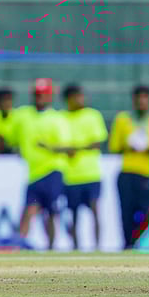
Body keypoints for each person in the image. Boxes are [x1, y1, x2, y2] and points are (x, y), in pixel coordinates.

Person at [17, 78, 72, 250]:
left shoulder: (57, 119)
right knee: (29, 210)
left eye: (43, 94)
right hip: (34, 173)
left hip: (52, 171)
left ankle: (50, 247)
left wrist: (47, 147)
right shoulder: (24, 115)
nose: (39, 97)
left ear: (50, 96)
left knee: (51, 213)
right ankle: (18, 246)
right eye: (37, 94)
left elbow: (67, 147)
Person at [109, 85, 149, 250]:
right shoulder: (123, 119)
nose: (142, 101)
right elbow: (114, 146)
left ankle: (133, 240)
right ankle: (127, 244)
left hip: (145, 173)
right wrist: (129, 145)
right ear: (133, 100)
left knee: (147, 214)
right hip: (127, 172)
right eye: (138, 98)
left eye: (145, 98)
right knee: (126, 212)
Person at [62, 84, 107, 251]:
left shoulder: (92, 115)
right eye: (76, 96)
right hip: (70, 175)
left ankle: (97, 246)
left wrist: (75, 149)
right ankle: (75, 246)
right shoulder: (61, 117)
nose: (81, 99)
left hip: (91, 174)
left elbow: (97, 143)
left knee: (95, 210)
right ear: (69, 99)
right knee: (72, 215)